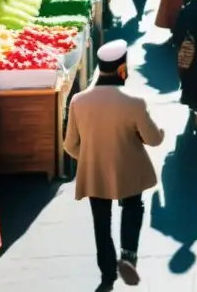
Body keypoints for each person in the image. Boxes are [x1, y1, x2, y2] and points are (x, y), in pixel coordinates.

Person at [64, 40, 164, 289]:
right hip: (129, 169)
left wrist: (90, 157)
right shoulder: (135, 102)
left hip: (95, 171)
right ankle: (128, 254)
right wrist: (160, 130)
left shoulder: (78, 101)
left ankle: (107, 273)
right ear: (122, 69)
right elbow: (153, 139)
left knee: (101, 221)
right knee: (133, 208)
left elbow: (69, 145)